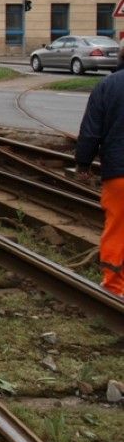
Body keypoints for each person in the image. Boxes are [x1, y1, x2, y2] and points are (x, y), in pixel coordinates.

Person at [73, 52, 124, 298]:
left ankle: (115, 288)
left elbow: (91, 131)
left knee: (118, 228)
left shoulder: (107, 86)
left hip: (119, 173)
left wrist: (83, 164)